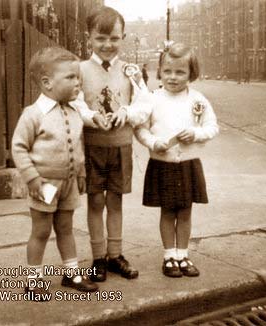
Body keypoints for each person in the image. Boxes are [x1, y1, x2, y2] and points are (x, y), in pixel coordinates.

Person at [12, 47, 98, 301]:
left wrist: (80, 173)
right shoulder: (33, 114)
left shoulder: (74, 112)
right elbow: (18, 147)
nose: (77, 82)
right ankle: (33, 280)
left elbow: (78, 145)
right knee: (41, 231)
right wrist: (32, 178)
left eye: (78, 77)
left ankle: (71, 273)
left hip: (69, 183)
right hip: (44, 184)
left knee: (66, 228)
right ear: (47, 83)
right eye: (70, 77)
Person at [133, 43, 219, 278]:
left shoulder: (198, 100)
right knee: (167, 212)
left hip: (189, 164)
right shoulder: (152, 98)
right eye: (167, 71)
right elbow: (140, 129)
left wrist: (196, 133)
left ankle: (183, 254)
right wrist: (153, 143)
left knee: (185, 212)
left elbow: (212, 127)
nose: (173, 77)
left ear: (191, 74)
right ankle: (169, 255)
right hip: (163, 163)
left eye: (180, 72)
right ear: (159, 71)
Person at [80, 6, 148, 282]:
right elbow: (73, 103)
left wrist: (127, 113)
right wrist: (90, 116)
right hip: (92, 146)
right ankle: (97, 258)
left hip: (121, 146)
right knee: (96, 201)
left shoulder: (131, 71)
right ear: (89, 39)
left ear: (123, 37)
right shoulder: (80, 70)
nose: (107, 45)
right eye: (100, 39)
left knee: (116, 201)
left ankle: (115, 255)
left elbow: (144, 104)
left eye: (114, 38)